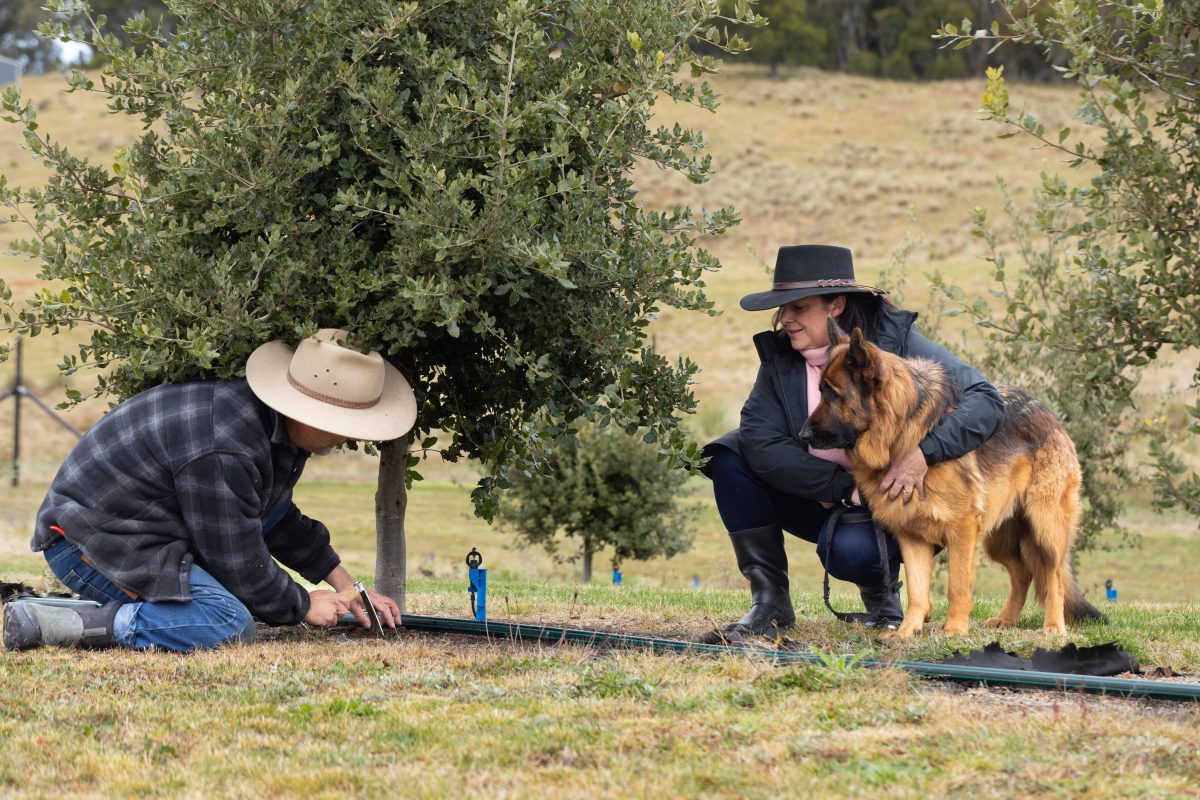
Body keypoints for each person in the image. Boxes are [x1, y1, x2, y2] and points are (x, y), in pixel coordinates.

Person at [3, 329, 417, 653]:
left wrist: (347, 586)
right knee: (225, 622)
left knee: (224, 612)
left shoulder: (266, 429)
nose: (348, 438)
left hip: (137, 535)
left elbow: (272, 517)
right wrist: (302, 604)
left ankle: (61, 613)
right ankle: (76, 624)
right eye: (343, 424)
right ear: (307, 409)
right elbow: (236, 557)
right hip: (87, 542)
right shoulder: (226, 445)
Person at [704, 245, 1004, 639]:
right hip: (829, 494)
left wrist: (923, 454)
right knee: (729, 455)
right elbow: (759, 439)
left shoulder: (894, 342)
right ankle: (770, 602)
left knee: (852, 555)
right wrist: (846, 488)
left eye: (799, 307)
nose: (785, 319)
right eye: (783, 309)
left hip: (892, 504)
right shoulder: (780, 358)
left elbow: (986, 400)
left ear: (836, 306)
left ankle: (884, 600)